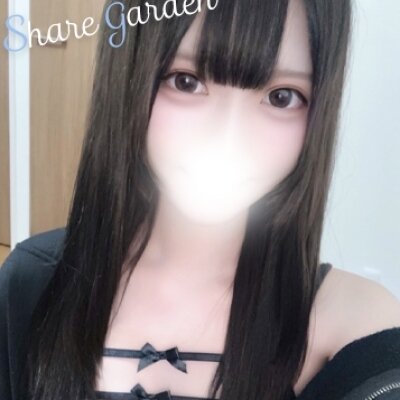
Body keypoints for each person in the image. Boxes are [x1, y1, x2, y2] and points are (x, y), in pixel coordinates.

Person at [1, 0, 400, 399]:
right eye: (186, 81)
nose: (228, 139)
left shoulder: (353, 321)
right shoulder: (34, 284)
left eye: (281, 97)